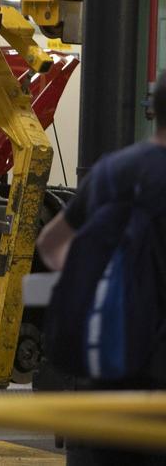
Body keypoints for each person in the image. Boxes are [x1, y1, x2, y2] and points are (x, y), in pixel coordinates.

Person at [36, 74, 166, 465]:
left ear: (153, 112)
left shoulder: (113, 170)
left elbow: (51, 245)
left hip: (106, 366)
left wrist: (101, 291)